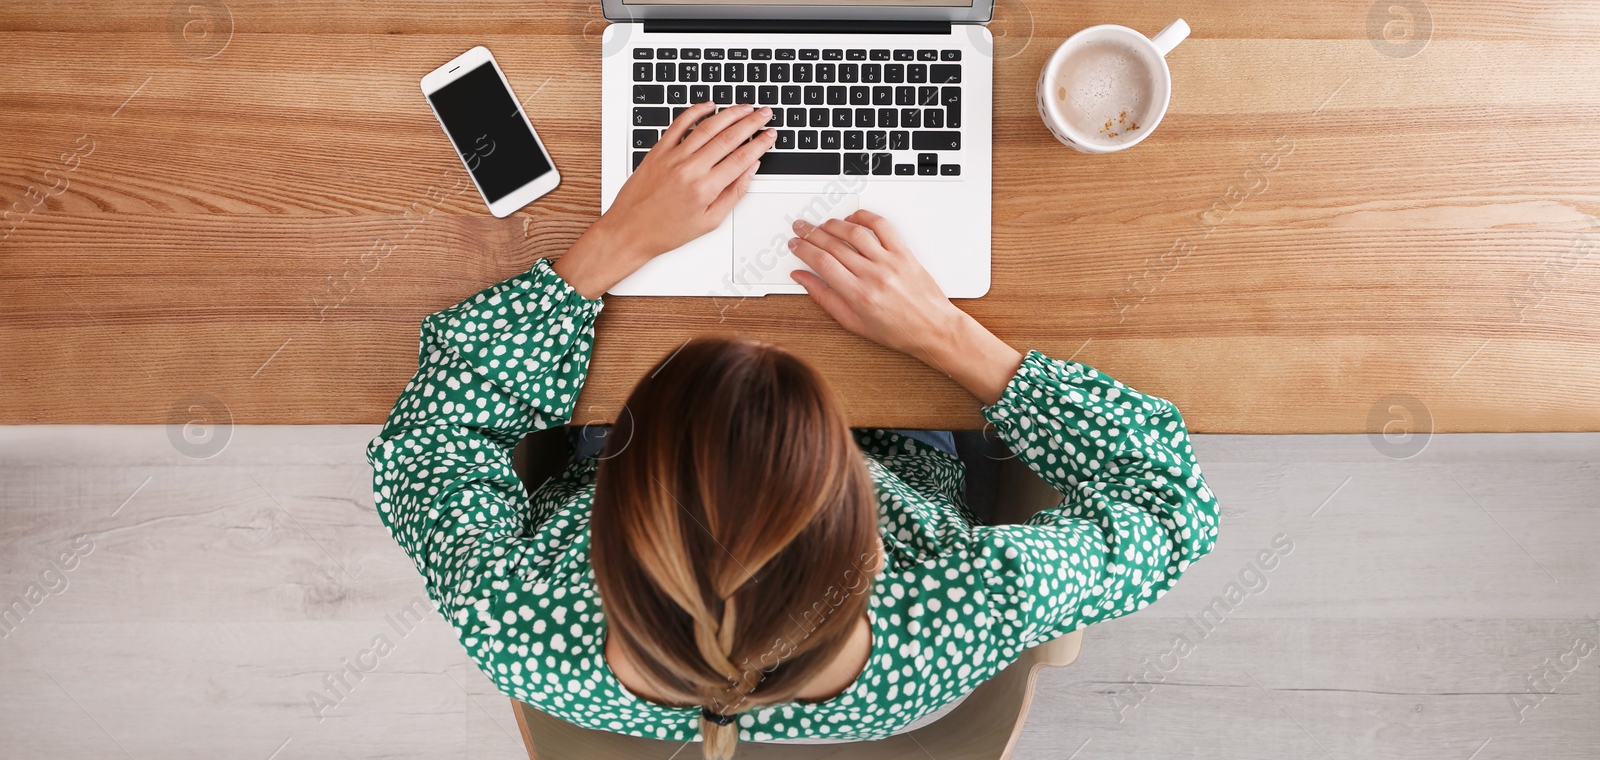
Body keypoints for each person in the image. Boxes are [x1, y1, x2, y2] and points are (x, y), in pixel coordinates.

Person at [369, 101, 1220, 757]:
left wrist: (613, 242)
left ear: (605, 526)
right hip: (914, 446)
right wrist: (943, 334)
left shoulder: (509, 614)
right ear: (874, 531)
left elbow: (430, 437)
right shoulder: (975, 599)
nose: (768, 337)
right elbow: (1172, 504)